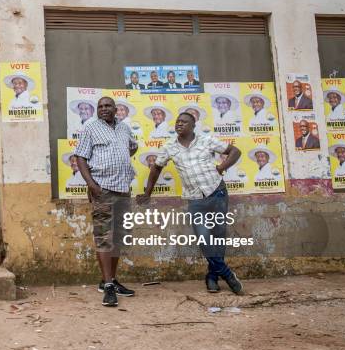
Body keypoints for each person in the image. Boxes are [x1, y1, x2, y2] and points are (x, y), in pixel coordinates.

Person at [137, 112, 244, 295]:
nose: (179, 124)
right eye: (177, 121)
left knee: (218, 236)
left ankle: (211, 277)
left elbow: (235, 151)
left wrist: (221, 167)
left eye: (184, 122)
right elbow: (156, 168)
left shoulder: (206, 140)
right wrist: (147, 193)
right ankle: (226, 273)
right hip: (195, 198)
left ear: (193, 126)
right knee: (203, 238)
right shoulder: (170, 147)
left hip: (217, 192)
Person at [74, 96, 138, 307]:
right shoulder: (90, 128)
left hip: (123, 189)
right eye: (100, 106)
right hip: (102, 190)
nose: (103, 109)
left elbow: (133, 147)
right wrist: (92, 185)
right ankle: (108, 286)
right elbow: (81, 157)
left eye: (107, 106)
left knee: (119, 237)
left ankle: (109, 280)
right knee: (104, 237)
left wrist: (120, 158)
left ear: (115, 109)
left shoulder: (124, 128)